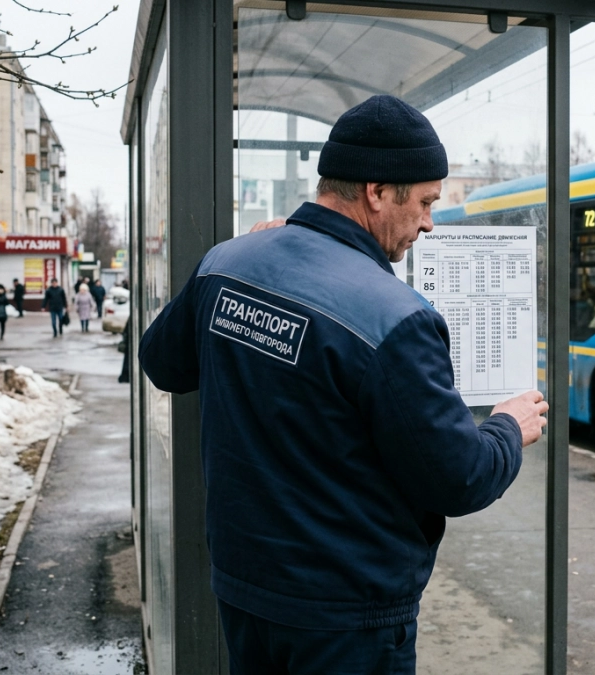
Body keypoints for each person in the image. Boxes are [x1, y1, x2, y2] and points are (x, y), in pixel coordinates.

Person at [140, 95, 548, 674]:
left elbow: (162, 363)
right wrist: (508, 426)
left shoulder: (226, 263)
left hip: (245, 589)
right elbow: (460, 479)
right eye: (425, 202)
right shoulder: (395, 318)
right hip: (345, 619)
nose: (429, 223)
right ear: (376, 192)